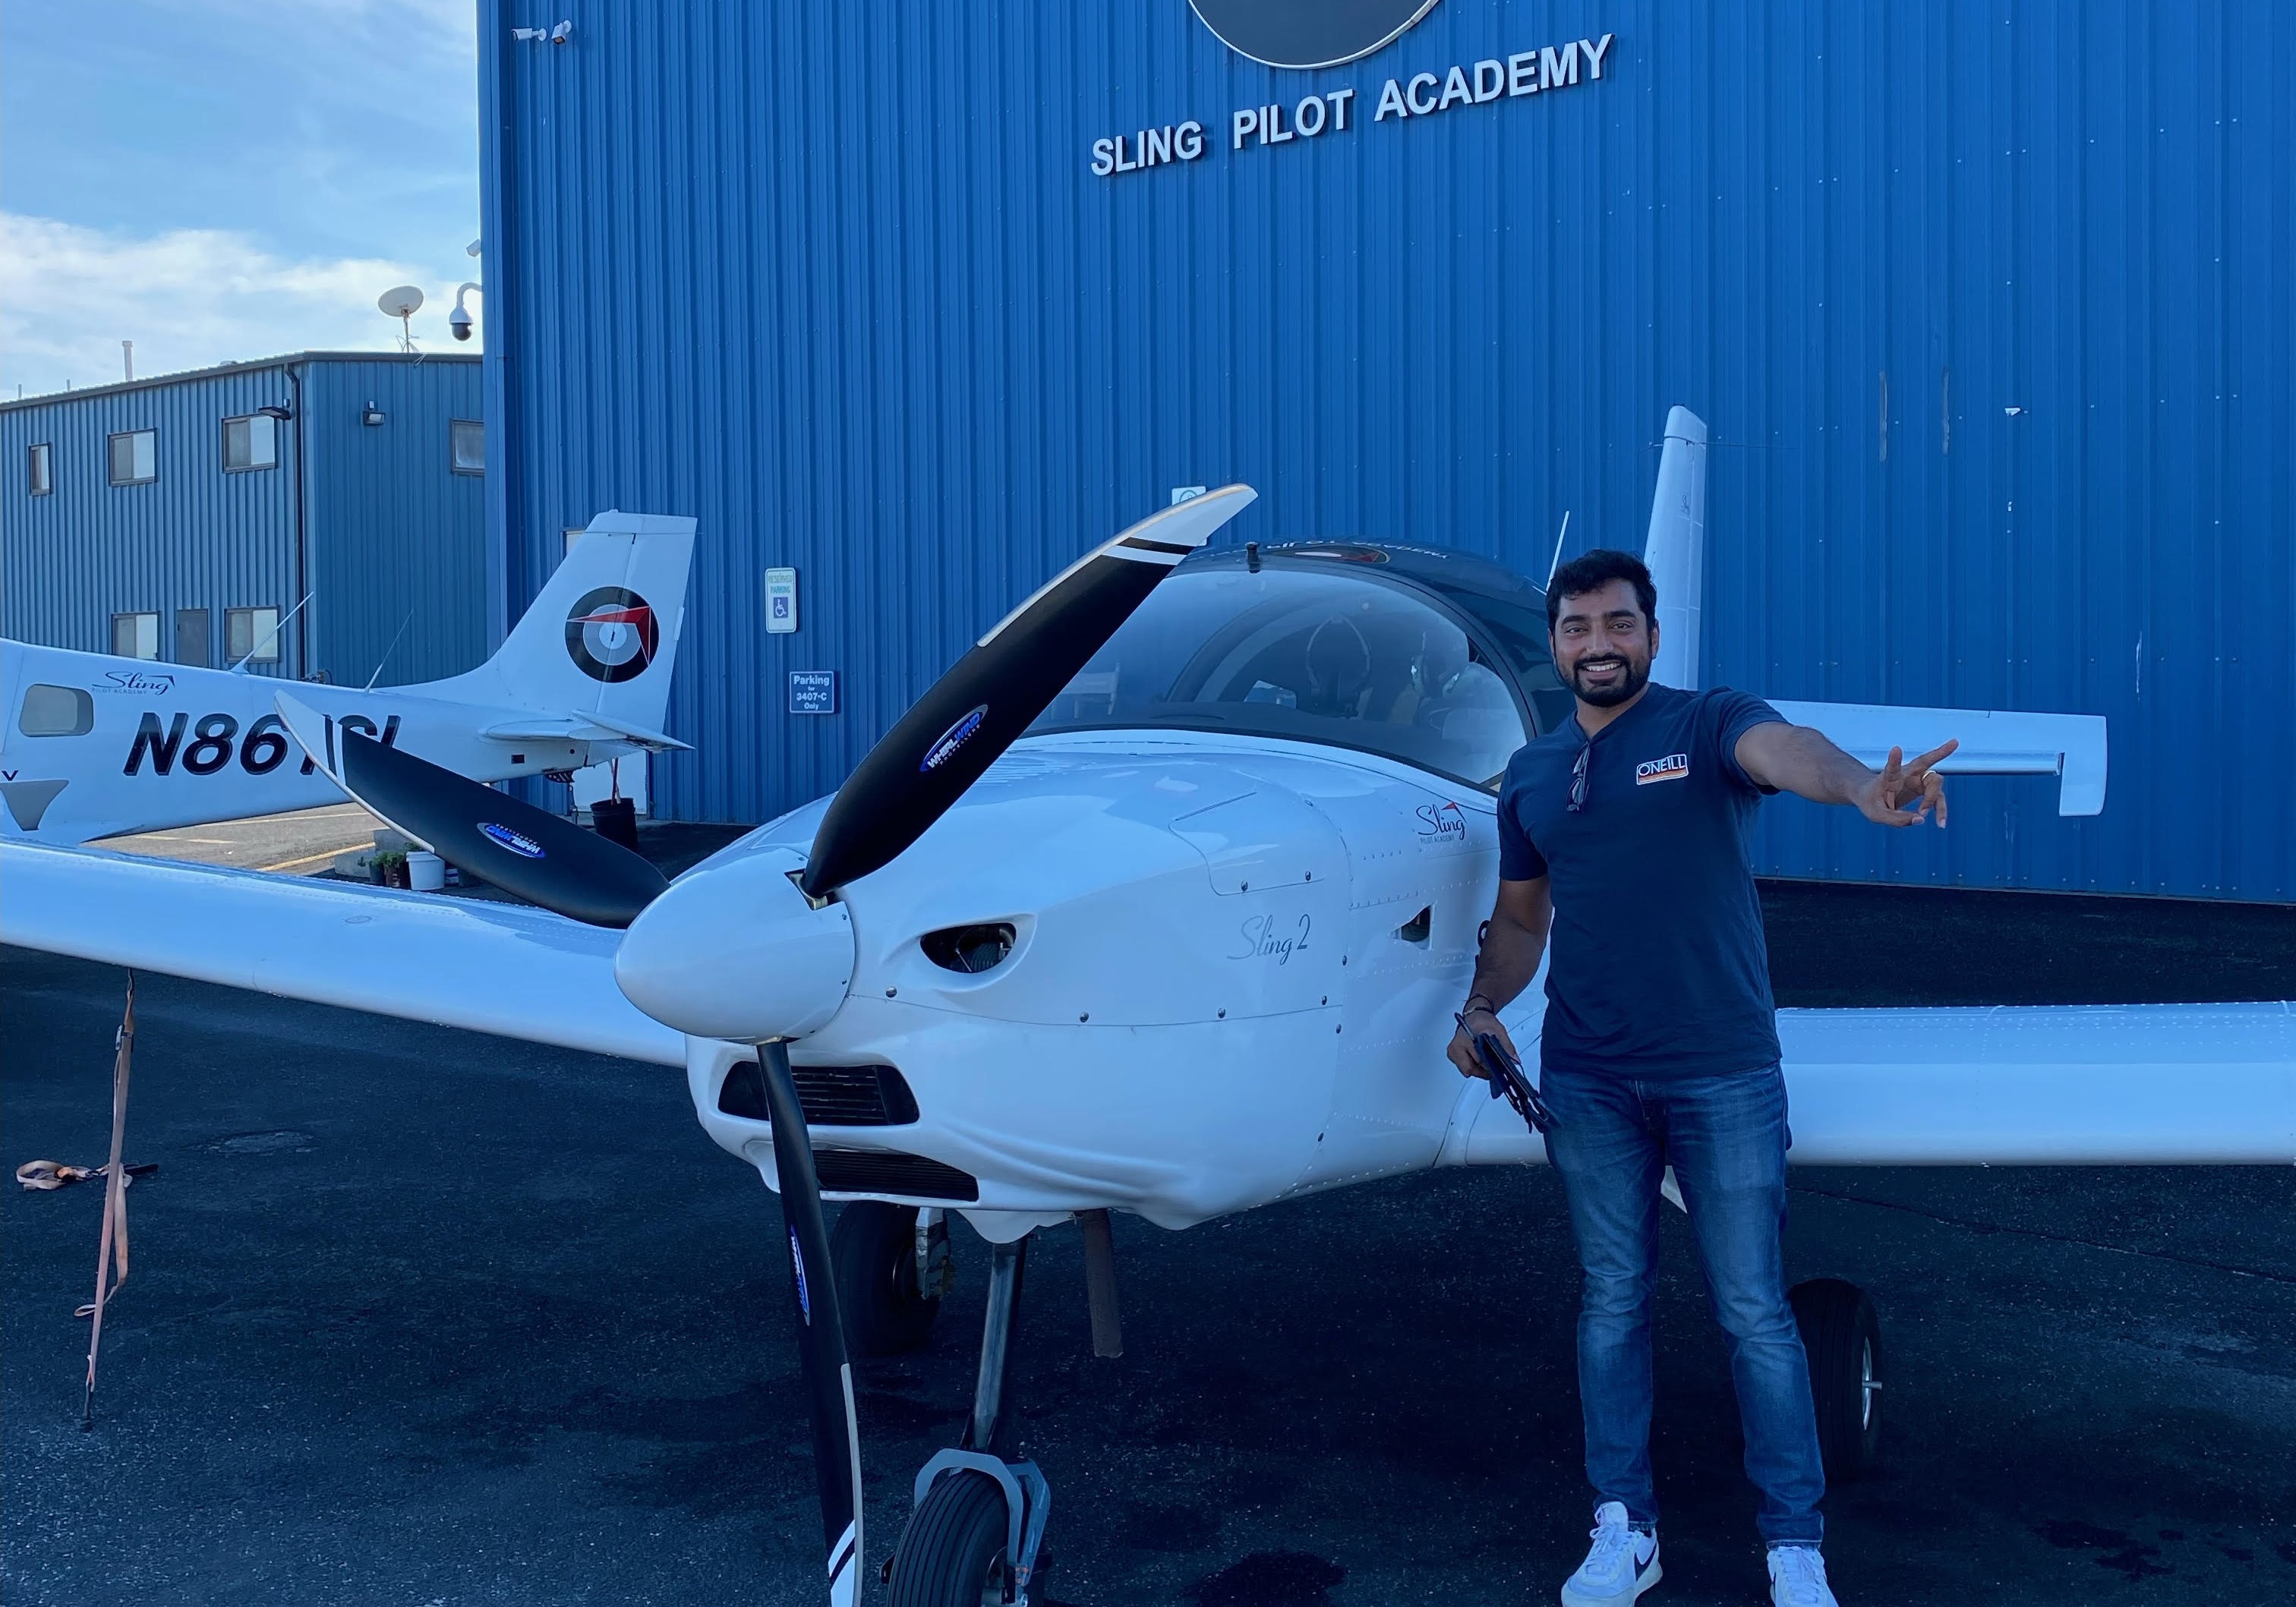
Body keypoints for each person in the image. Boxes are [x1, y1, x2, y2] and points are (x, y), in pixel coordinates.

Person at [1446, 549, 1954, 1607]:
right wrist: (1481, 1006)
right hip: (1588, 1077)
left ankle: (1794, 1543)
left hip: (1722, 1072)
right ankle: (1624, 1525)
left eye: (1618, 624)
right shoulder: (1532, 774)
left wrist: (1861, 785)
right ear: (1555, 646)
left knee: (1755, 1311)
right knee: (1611, 1304)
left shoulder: (1707, 723)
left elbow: (1789, 752)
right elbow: (1523, 921)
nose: (1598, 644)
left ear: (1651, 635)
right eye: (1578, 628)